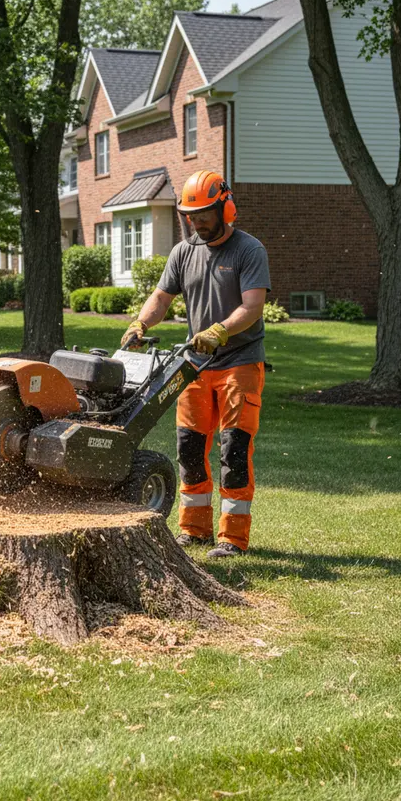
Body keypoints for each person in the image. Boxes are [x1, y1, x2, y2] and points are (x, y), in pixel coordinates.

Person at [122, 170, 271, 558]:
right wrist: (141, 322)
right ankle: (194, 530)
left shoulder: (248, 250)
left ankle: (233, 538)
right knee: (189, 448)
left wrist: (220, 330)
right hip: (195, 366)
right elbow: (160, 297)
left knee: (234, 451)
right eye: (191, 214)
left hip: (240, 362)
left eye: (204, 212)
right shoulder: (183, 252)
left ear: (225, 206)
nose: (197, 221)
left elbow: (253, 306)